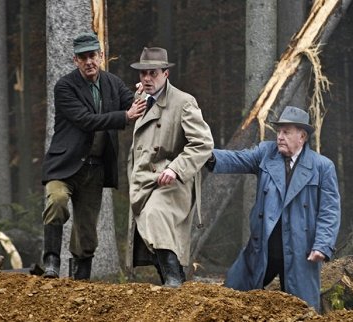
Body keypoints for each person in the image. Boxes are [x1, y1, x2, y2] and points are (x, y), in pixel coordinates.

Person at [206, 106, 340, 312]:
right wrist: (207, 155)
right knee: (230, 299)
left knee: (304, 311)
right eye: (278, 131)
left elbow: (329, 210)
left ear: (302, 136)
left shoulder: (322, 166)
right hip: (263, 250)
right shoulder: (266, 153)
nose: (279, 137)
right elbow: (238, 158)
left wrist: (322, 245)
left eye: (286, 132)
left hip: (300, 253)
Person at [41, 32, 146, 280]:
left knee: (87, 233)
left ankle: (81, 280)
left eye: (92, 56)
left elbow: (133, 104)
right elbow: (85, 120)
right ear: (75, 60)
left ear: (101, 56)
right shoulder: (65, 86)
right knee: (56, 202)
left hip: (94, 168)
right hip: (64, 164)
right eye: (83, 57)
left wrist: (143, 94)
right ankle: (51, 263)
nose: (89, 61)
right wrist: (125, 116)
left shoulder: (113, 83)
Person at [127, 47, 214, 287]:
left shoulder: (184, 102)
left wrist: (176, 169)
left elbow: (203, 143)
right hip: (144, 180)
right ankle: (172, 283)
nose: (147, 79)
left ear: (166, 73)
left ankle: (175, 280)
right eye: (143, 74)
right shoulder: (142, 99)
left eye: (153, 73)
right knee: (146, 230)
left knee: (155, 216)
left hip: (171, 182)